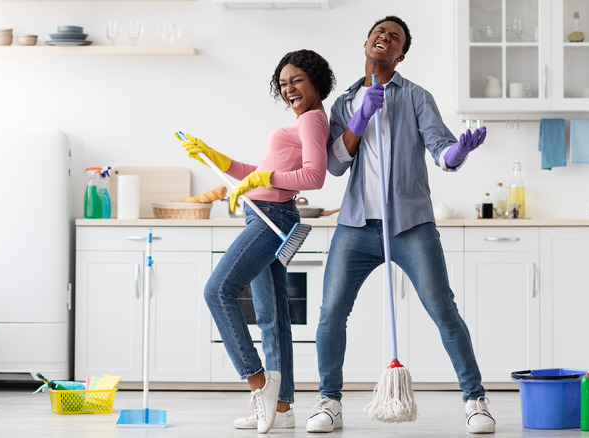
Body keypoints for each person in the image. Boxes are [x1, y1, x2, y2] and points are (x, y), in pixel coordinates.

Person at [306, 16, 494, 434]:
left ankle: (475, 401)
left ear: (400, 55)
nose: (384, 38)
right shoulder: (344, 103)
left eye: (394, 37)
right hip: (356, 226)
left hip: (410, 226)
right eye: (379, 32)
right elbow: (335, 164)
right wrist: (359, 119)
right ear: (367, 41)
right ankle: (329, 402)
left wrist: (458, 153)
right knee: (331, 313)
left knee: (444, 311)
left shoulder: (416, 97)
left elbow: (441, 150)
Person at [178, 49, 335, 434]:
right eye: (283, 84)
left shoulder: (313, 120)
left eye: (297, 80)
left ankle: (259, 384)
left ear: (315, 80)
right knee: (273, 316)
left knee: (218, 292)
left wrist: (262, 181)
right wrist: (217, 159)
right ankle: (281, 409)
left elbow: (314, 177)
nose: (289, 89)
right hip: (265, 214)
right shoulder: (302, 122)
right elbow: (261, 172)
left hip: (271, 219)